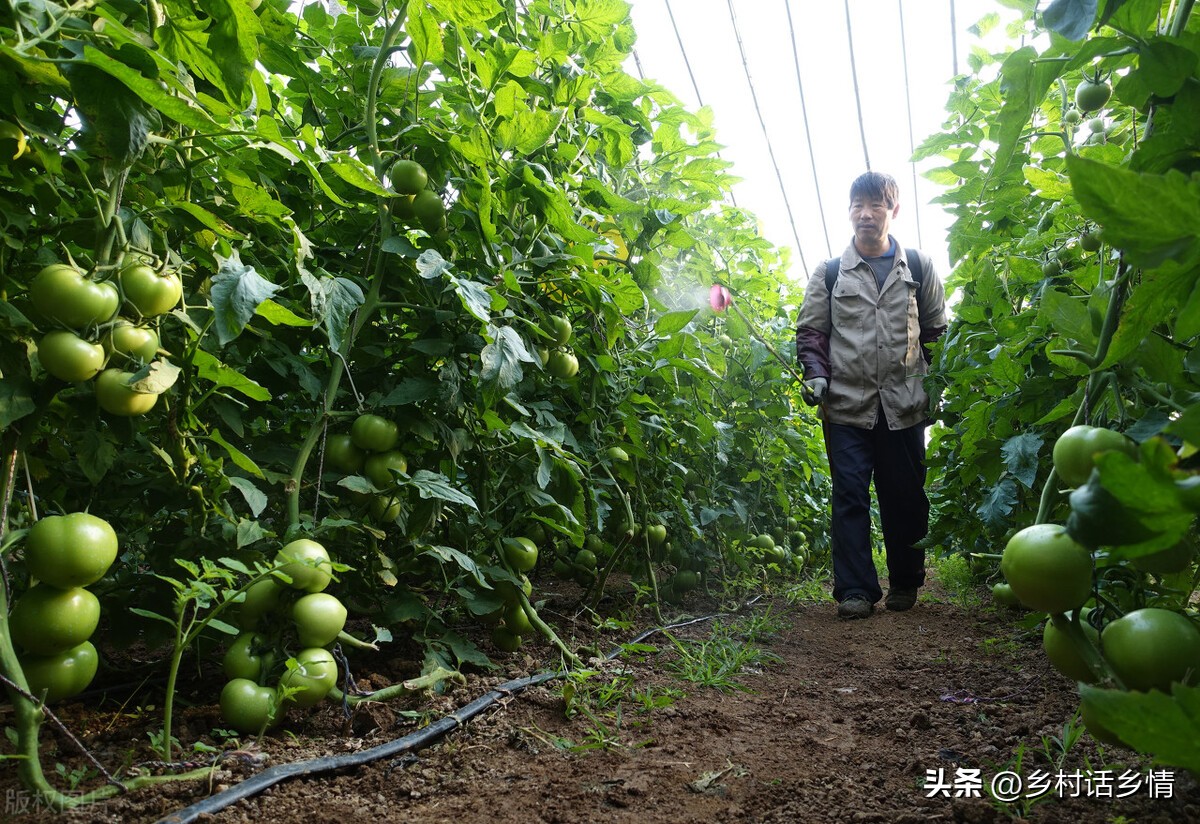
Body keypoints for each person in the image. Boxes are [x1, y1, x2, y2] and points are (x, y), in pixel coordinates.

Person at [795, 171, 947, 619]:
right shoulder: (829, 273)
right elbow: (812, 332)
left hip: (904, 404)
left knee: (904, 495)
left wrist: (943, 387)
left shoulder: (918, 267)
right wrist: (816, 374)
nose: (866, 214)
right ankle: (855, 591)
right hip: (845, 404)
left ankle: (904, 582)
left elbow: (937, 333)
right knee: (849, 496)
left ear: (892, 210)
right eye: (857, 206)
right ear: (849, 212)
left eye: (876, 205)